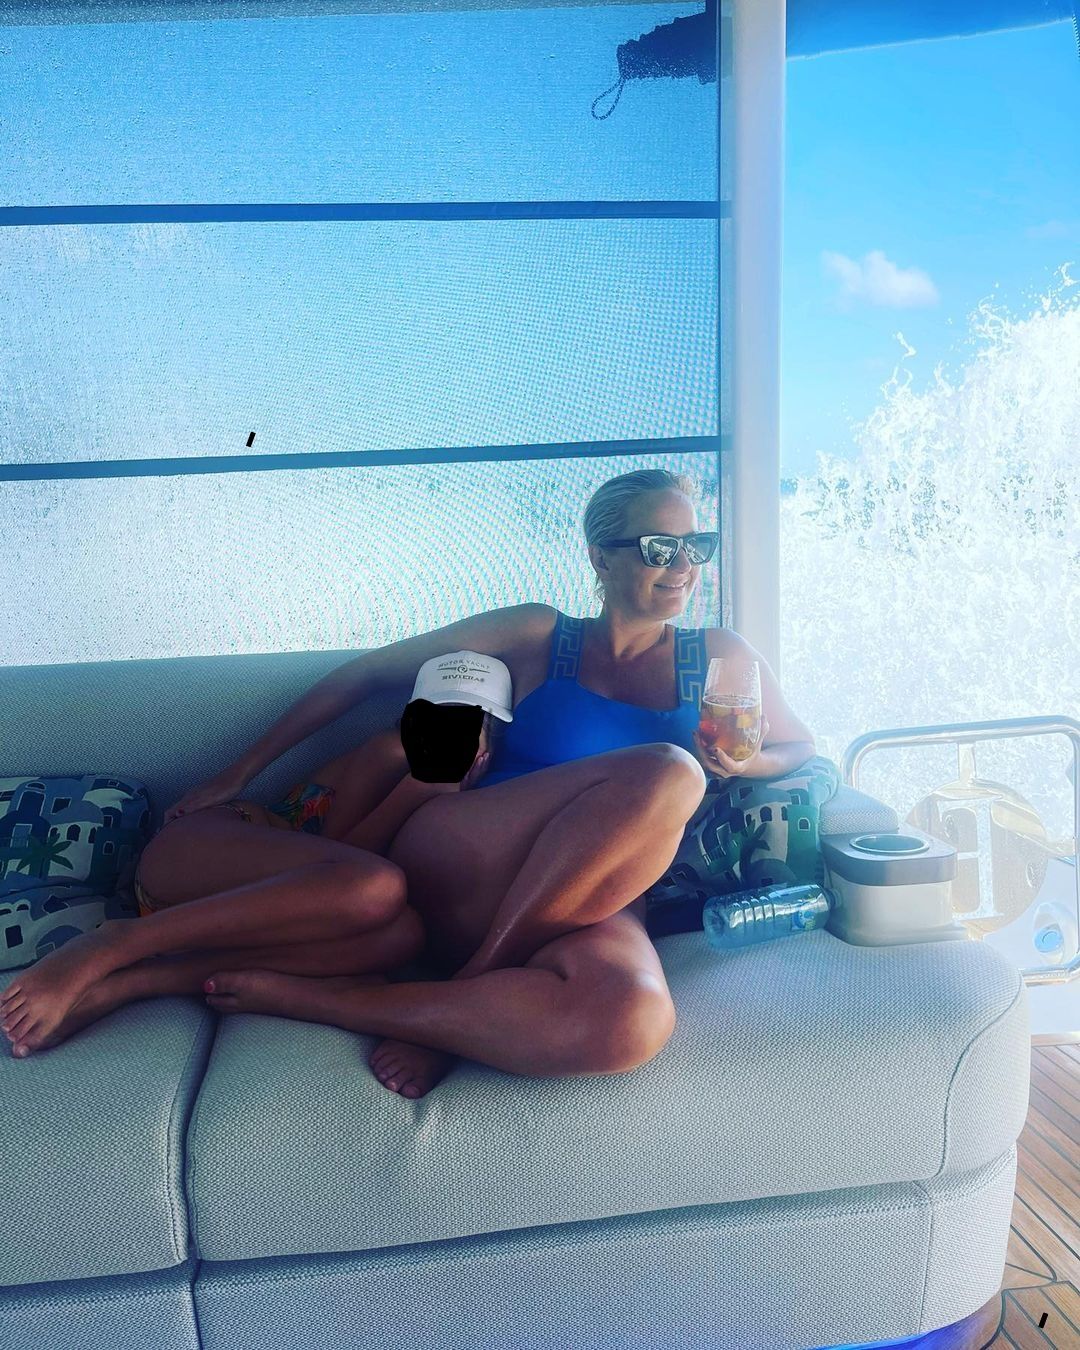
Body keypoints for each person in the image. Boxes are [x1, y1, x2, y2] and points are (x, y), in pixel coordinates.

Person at [1, 469, 839, 1101]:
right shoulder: (542, 635)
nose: (683, 566)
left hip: (597, 898)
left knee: (630, 1021)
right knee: (667, 771)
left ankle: (365, 1002)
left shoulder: (719, 657)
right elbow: (368, 674)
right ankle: (471, 987)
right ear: (600, 555)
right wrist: (236, 770)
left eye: (697, 548)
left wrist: (748, 763)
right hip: (469, 850)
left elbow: (799, 750)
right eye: (660, 548)